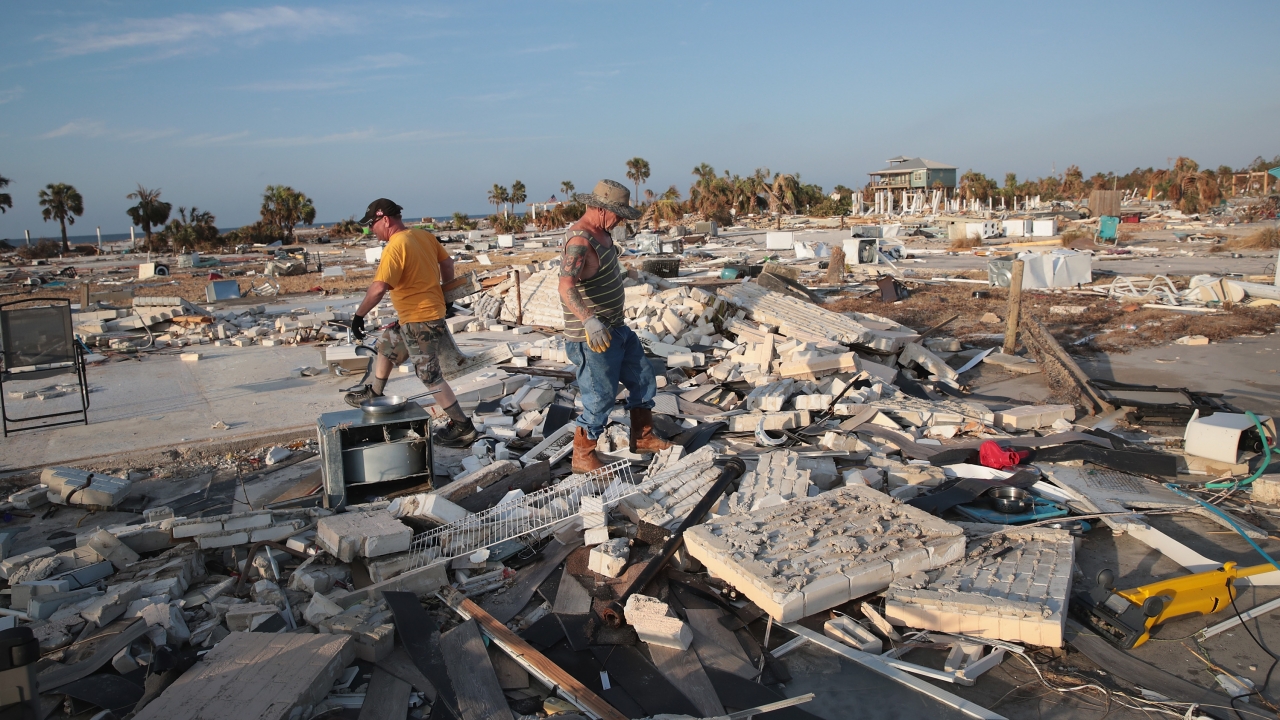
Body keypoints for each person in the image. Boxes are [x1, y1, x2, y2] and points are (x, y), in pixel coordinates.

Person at [344, 198, 477, 448]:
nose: (370, 231)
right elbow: (447, 264)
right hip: (417, 316)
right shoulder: (422, 236)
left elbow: (378, 288)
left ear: (385, 220)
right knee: (388, 343)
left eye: (371, 225)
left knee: (429, 375)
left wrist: (359, 316)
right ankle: (374, 391)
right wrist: (445, 297)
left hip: (421, 320)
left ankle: (463, 427)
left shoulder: (395, 247)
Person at [558, 180, 671, 472]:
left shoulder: (603, 234)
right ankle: (583, 456)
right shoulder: (580, 241)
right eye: (617, 213)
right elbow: (566, 284)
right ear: (599, 208)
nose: (621, 219)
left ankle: (642, 437)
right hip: (592, 336)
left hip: (616, 328)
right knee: (599, 396)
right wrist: (589, 320)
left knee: (643, 379)